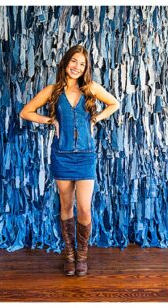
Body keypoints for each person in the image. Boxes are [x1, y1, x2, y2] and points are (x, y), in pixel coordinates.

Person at [19, 45, 120, 276]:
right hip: (61, 156)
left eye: (82, 64)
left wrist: (96, 118)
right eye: (74, 61)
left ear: (86, 68)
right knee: (66, 206)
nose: (77, 67)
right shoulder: (53, 90)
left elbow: (114, 103)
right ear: (65, 63)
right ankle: (70, 255)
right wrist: (50, 121)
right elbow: (26, 112)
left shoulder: (90, 88)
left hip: (85, 156)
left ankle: (82, 255)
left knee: (84, 208)